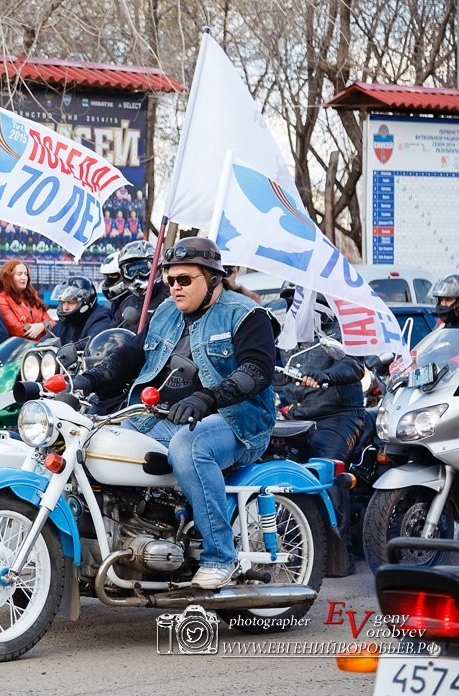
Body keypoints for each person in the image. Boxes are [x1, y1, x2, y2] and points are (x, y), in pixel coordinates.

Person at [69, 237, 278, 590]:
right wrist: (84, 381)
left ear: (213, 278)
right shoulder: (166, 313)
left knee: (189, 447)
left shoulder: (246, 314)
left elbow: (257, 371)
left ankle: (220, 557)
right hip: (159, 417)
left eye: (184, 279)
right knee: (94, 441)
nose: (175, 287)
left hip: (237, 420)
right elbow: (129, 358)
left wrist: (207, 399)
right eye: (169, 280)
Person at [277, 298, 364, 461]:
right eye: (292, 300)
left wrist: (326, 376)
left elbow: (353, 365)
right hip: (296, 416)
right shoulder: (285, 331)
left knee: (324, 468)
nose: (296, 305)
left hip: (335, 416)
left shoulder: (342, 328)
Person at [114, 241, 169, 331]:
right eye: (131, 272)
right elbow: (112, 333)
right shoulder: (127, 304)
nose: (137, 275)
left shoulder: (171, 300)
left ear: (157, 266)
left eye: (143, 269)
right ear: (123, 273)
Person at [0, 259, 52, 340]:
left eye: (25, 274)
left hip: (39, 346)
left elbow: (52, 323)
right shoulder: (0, 300)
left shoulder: (32, 296)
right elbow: (17, 329)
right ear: (9, 277)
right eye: (19, 274)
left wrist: (41, 326)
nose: (24, 278)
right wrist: (42, 327)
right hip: (17, 346)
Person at [52, 275, 114, 346]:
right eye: (63, 303)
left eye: (71, 302)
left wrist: (65, 350)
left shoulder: (100, 318)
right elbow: (48, 339)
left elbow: (92, 342)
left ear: (85, 302)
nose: (65, 308)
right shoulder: (65, 321)